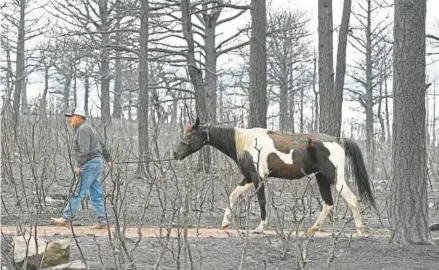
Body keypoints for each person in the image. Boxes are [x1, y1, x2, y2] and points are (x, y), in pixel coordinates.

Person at [51, 107, 114, 229]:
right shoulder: (90, 128)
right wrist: (109, 159)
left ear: (79, 117)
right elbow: (102, 145)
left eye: (72, 116)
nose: (70, 119)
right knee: (96, 194)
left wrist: (78, 165)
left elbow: (84, 150)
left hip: (90, 164)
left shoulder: (83, 129)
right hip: (97, 163)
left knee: (78, 191)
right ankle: (103, 222)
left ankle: (66, 218)